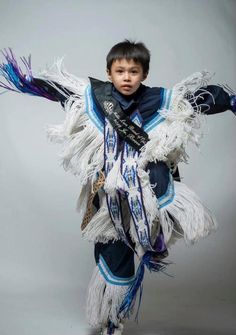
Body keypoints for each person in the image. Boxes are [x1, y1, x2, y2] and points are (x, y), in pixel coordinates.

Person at [0, 40, 235, 335]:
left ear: (144, 74)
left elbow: (194, 98)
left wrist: (229, 100)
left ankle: (156, 237)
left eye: (134, 71)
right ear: (108, 72)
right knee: (112, 252)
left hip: (147, 190)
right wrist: (28, 83)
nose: (126, 77)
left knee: (158, 203)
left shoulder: (158, 100)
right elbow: (62, 91)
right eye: (120, 70)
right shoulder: (96, 97)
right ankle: (114, 316)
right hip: (108, 196)